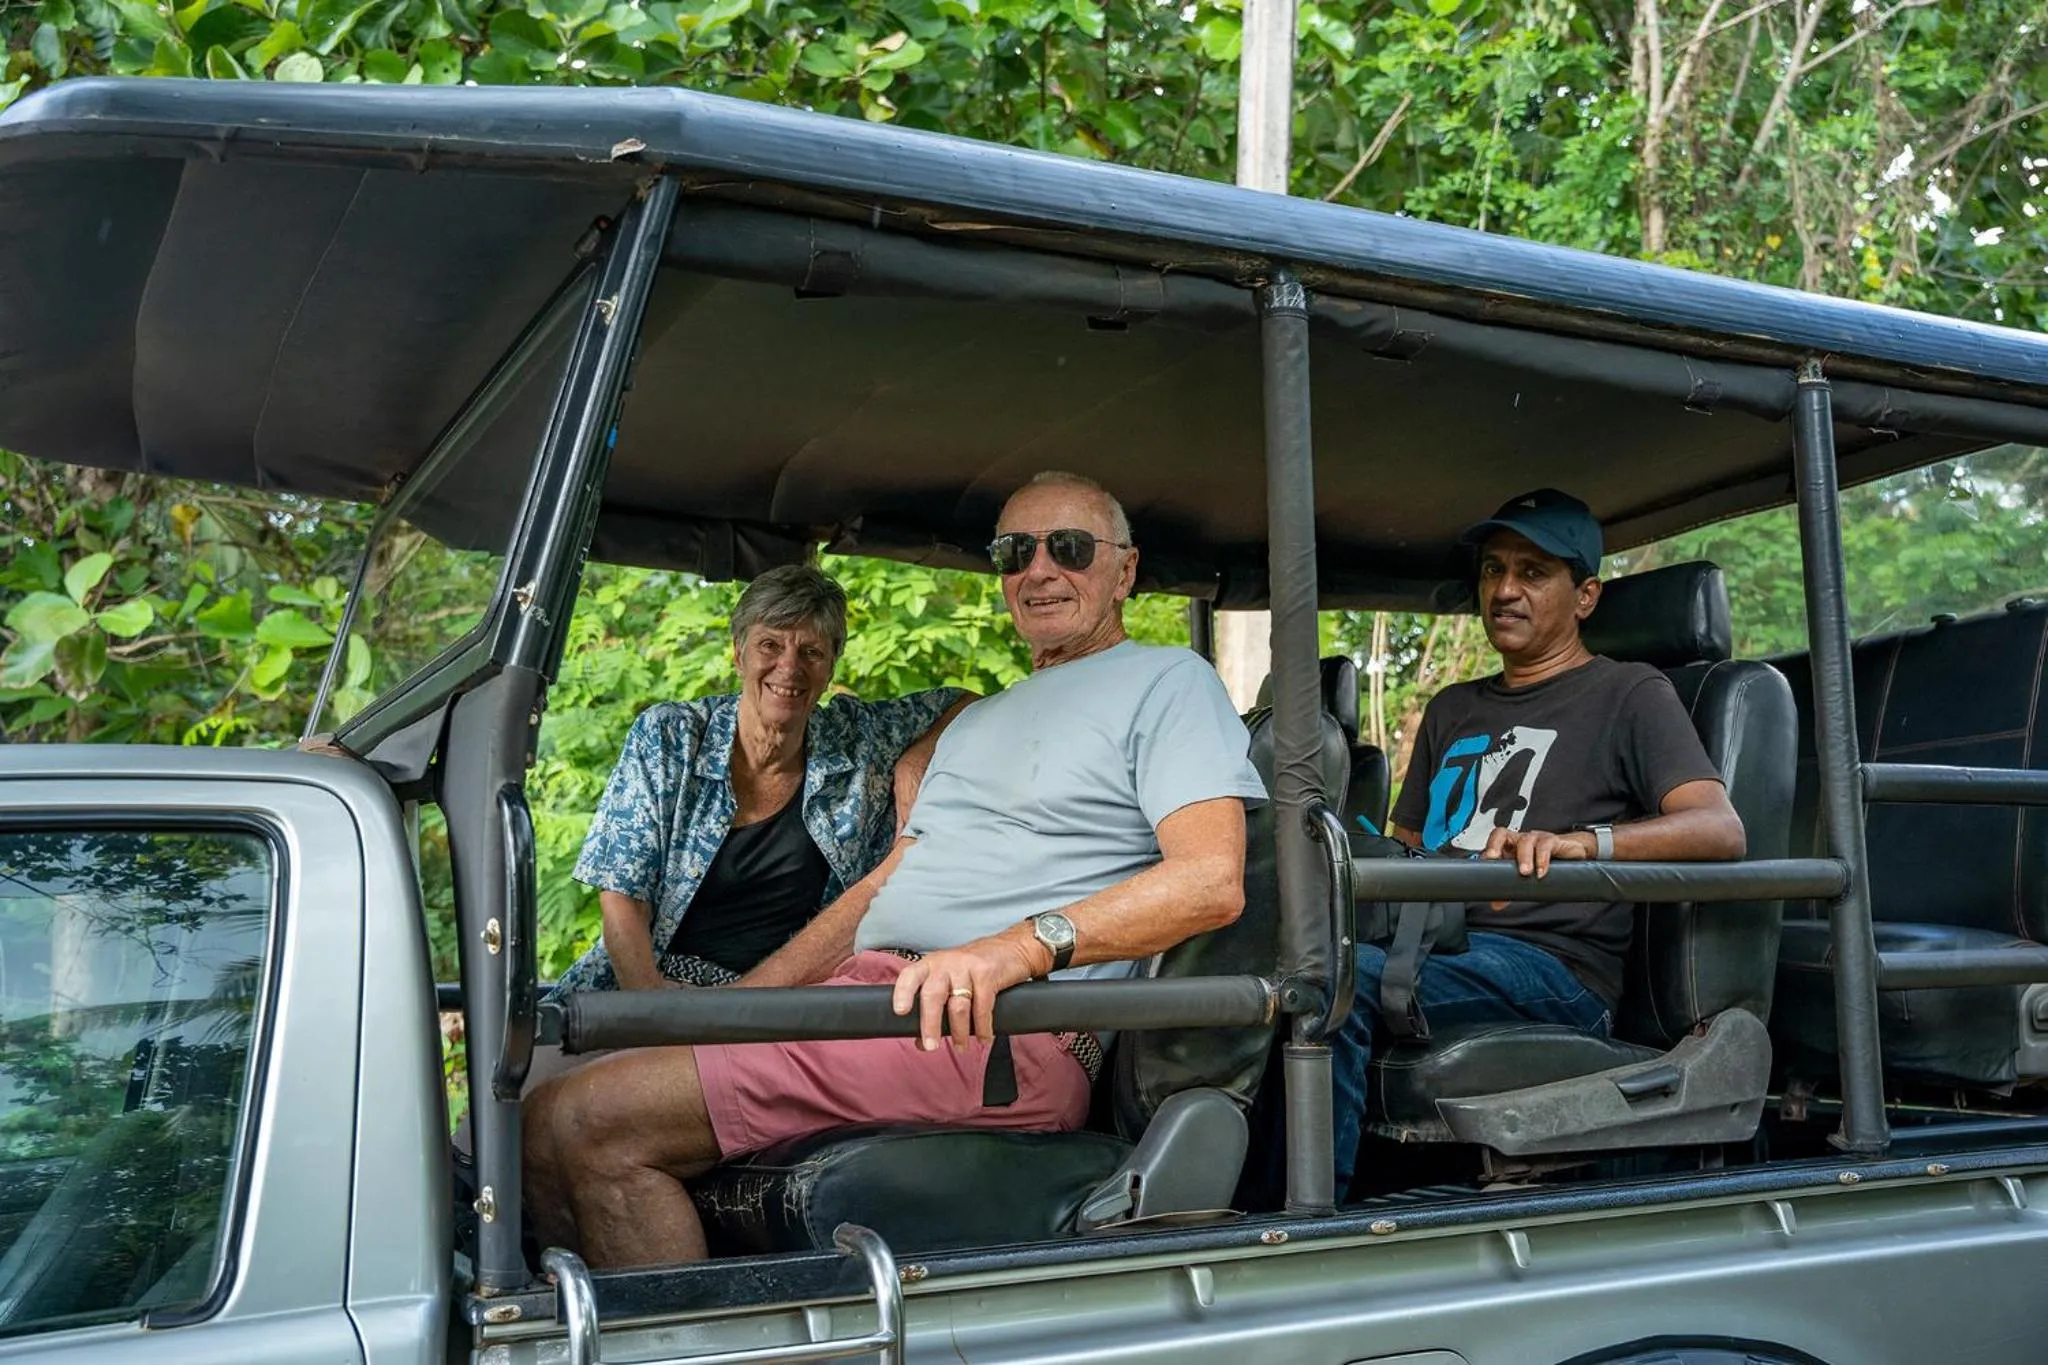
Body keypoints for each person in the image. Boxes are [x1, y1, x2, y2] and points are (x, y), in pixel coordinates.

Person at [524, 471, 1266, 1266]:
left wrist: (1015, 948)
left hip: (990, 1027)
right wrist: (734, 1008)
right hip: (873, 999)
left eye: (1070, 548)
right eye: (1015, 551)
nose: (1040, 569)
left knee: (590, 1121)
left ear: (1124, 571)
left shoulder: (1166, 682)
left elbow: (1210, 879)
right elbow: (880, 891)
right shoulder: (981, 717)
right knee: (534, 1121)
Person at [1327, 487, 1746, 1196]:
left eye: (1533, 571)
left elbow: (1720, 828)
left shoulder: (1629, 693)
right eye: (1493, 570)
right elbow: (1403, 848)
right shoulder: (1451, 707)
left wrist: (1584, 843)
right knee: (1292, 959)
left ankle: (1303, 1218)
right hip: (1430, 943)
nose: (1505, 589)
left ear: (1585, 596)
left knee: (1330, 984)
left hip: (1552, 967)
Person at [551, 563, 971, 997]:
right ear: (739, 654)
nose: (788, 668)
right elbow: (622, 900)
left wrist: (914, 760)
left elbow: (967, 704)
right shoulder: (670, 736)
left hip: (778, 1006)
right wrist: (653, 1015)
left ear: (830, 670)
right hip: (650, 989)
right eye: (769, 645)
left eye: (811, 652)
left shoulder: (858, 740)